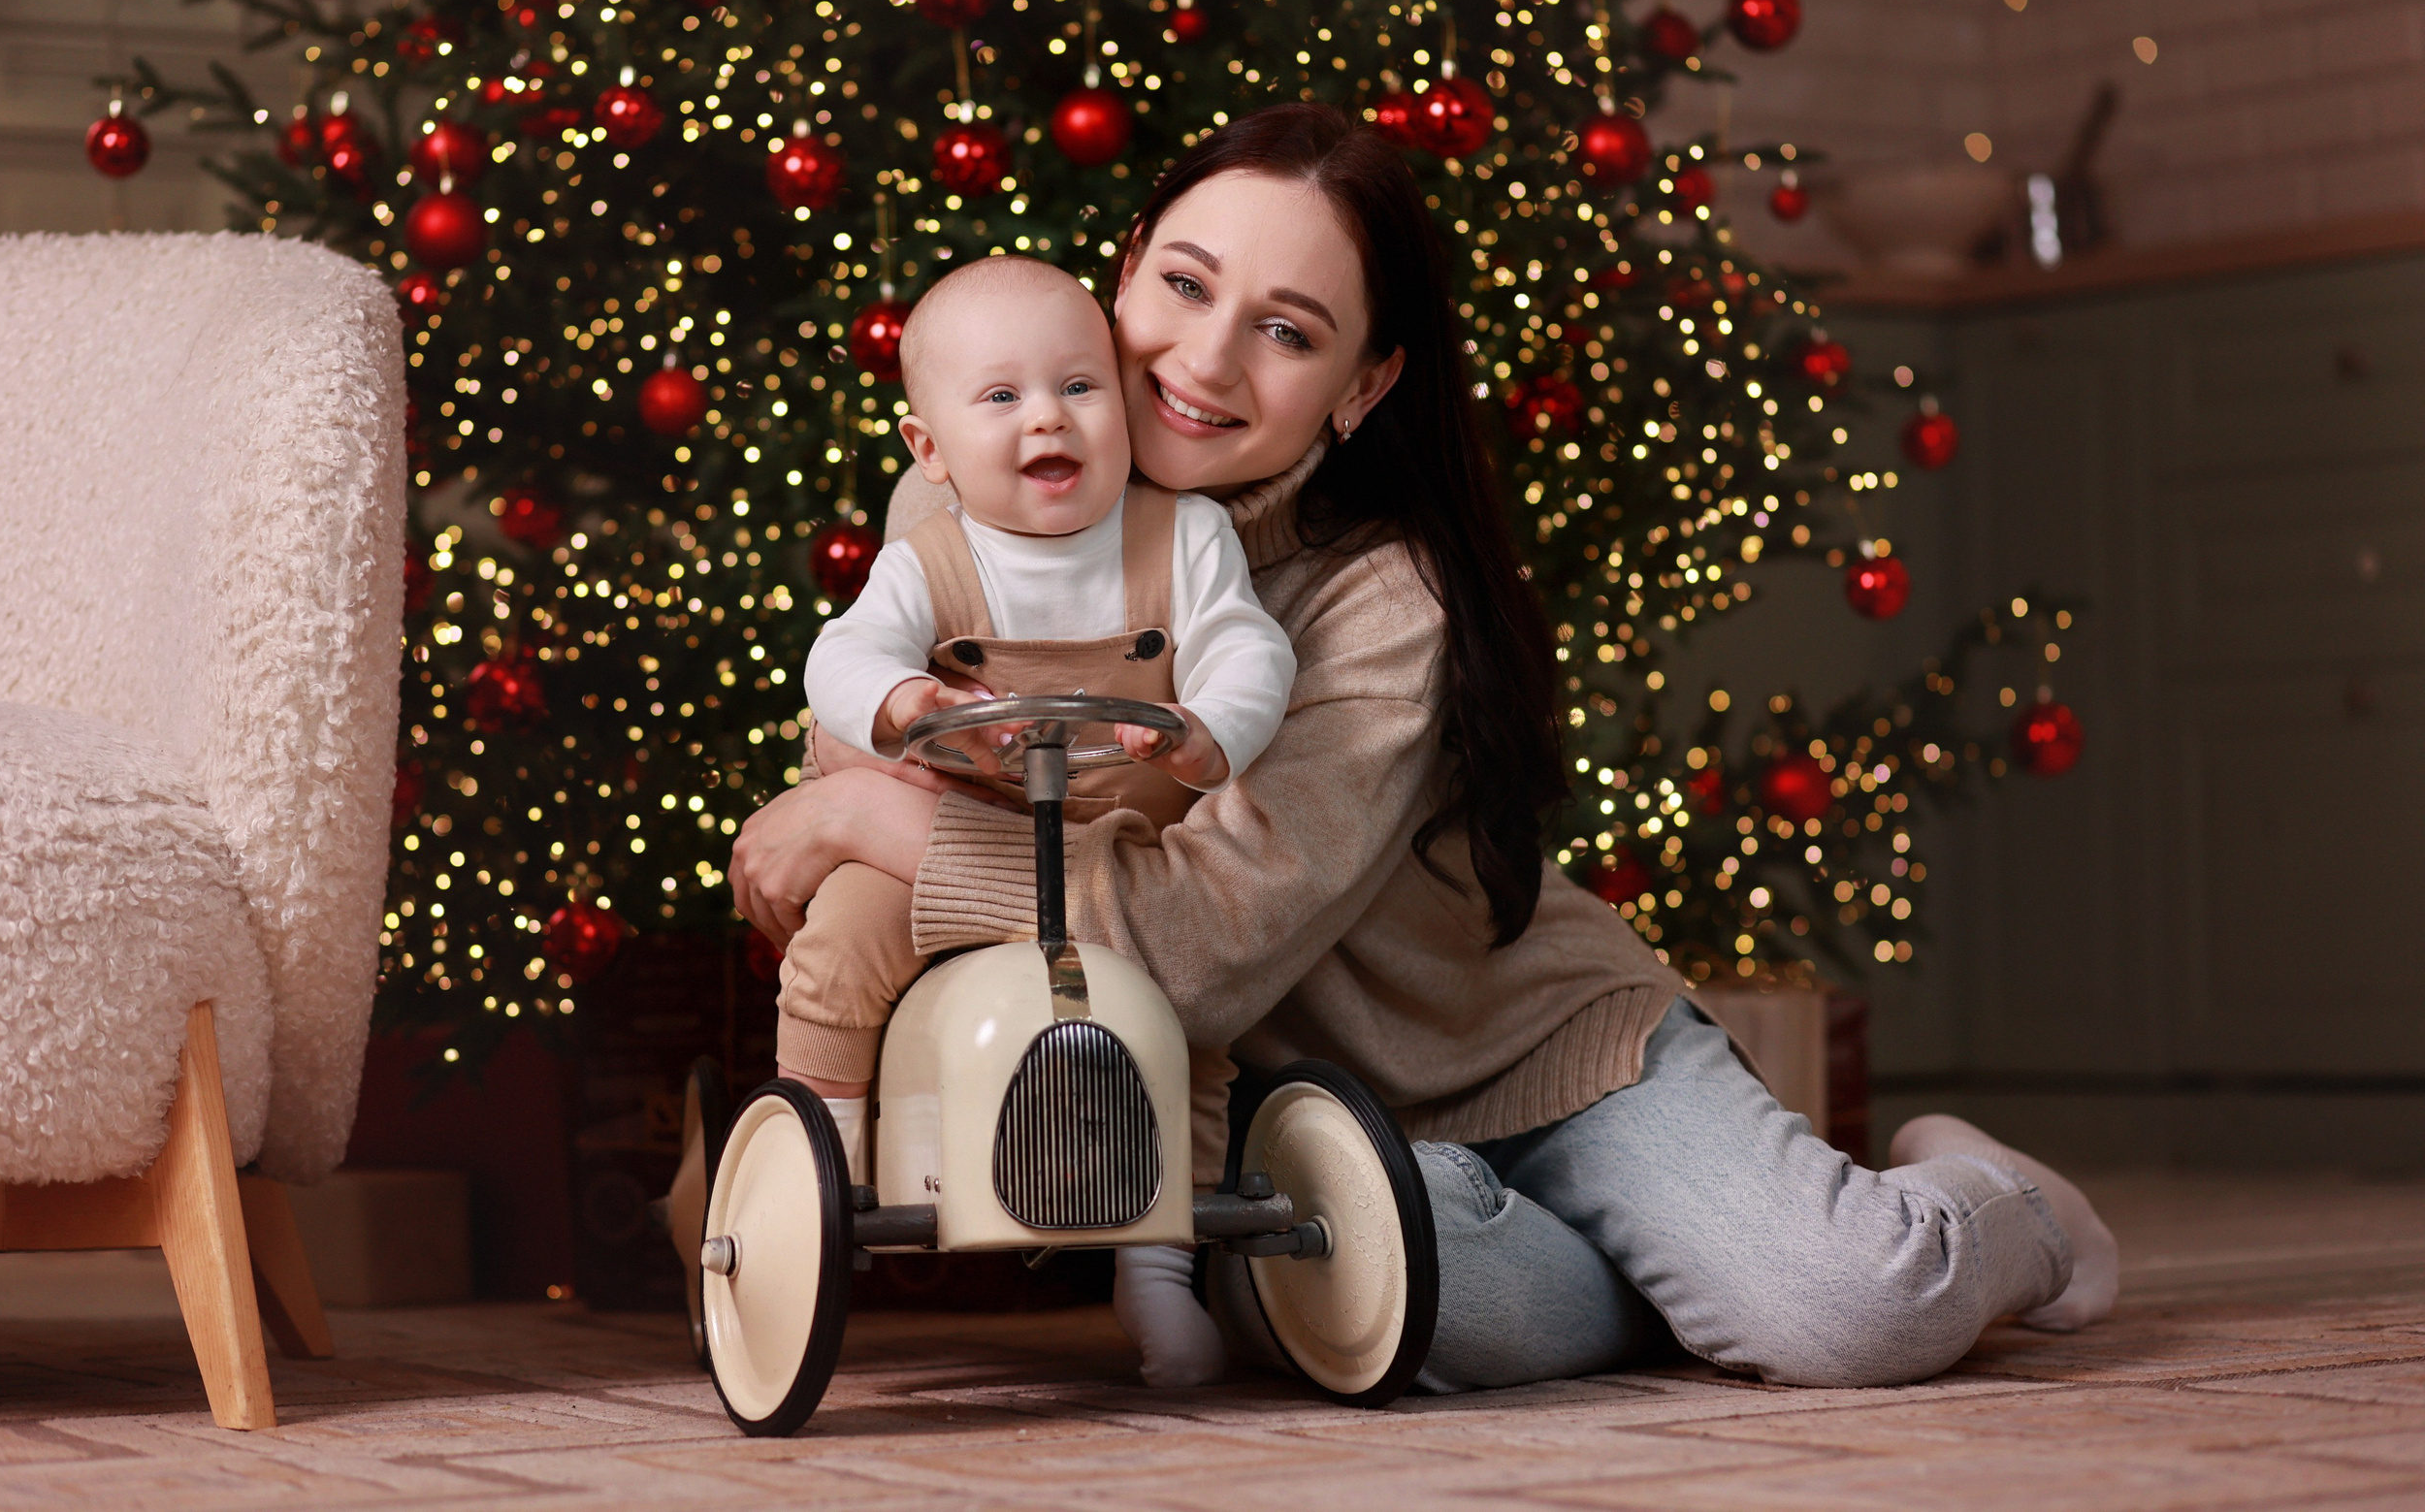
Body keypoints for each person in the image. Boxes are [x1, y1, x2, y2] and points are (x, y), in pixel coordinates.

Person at [728, 103, 2119, 1394]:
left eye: (1288, 331)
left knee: (1852, 1306)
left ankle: (1999, 1204)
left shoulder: (1384, 600)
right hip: (1305, 1121)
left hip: (1540, 1058)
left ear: (1362, 382)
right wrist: (857, 800)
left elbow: (1193, 946)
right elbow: (881, 743)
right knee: (1353, 1288)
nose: (1204, 360)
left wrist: (863, 824)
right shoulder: (970, 498)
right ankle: (1656, 1268)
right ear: (1127, 265)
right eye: (1187, 286)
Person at [778, 255, 1294, 1381]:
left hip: (1124, 845)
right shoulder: (928, 559)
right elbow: (841, 656)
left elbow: (1250, 647)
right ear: (930, 450)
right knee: (843, 941)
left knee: (1191, 1016)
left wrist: (1207, 727)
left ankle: (1158, 1264)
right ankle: (819, 1178)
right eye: (1002, 396)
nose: (1047, 419)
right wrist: (903, 700)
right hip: (957, 838)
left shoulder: (1185, 536)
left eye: (1079, 386)